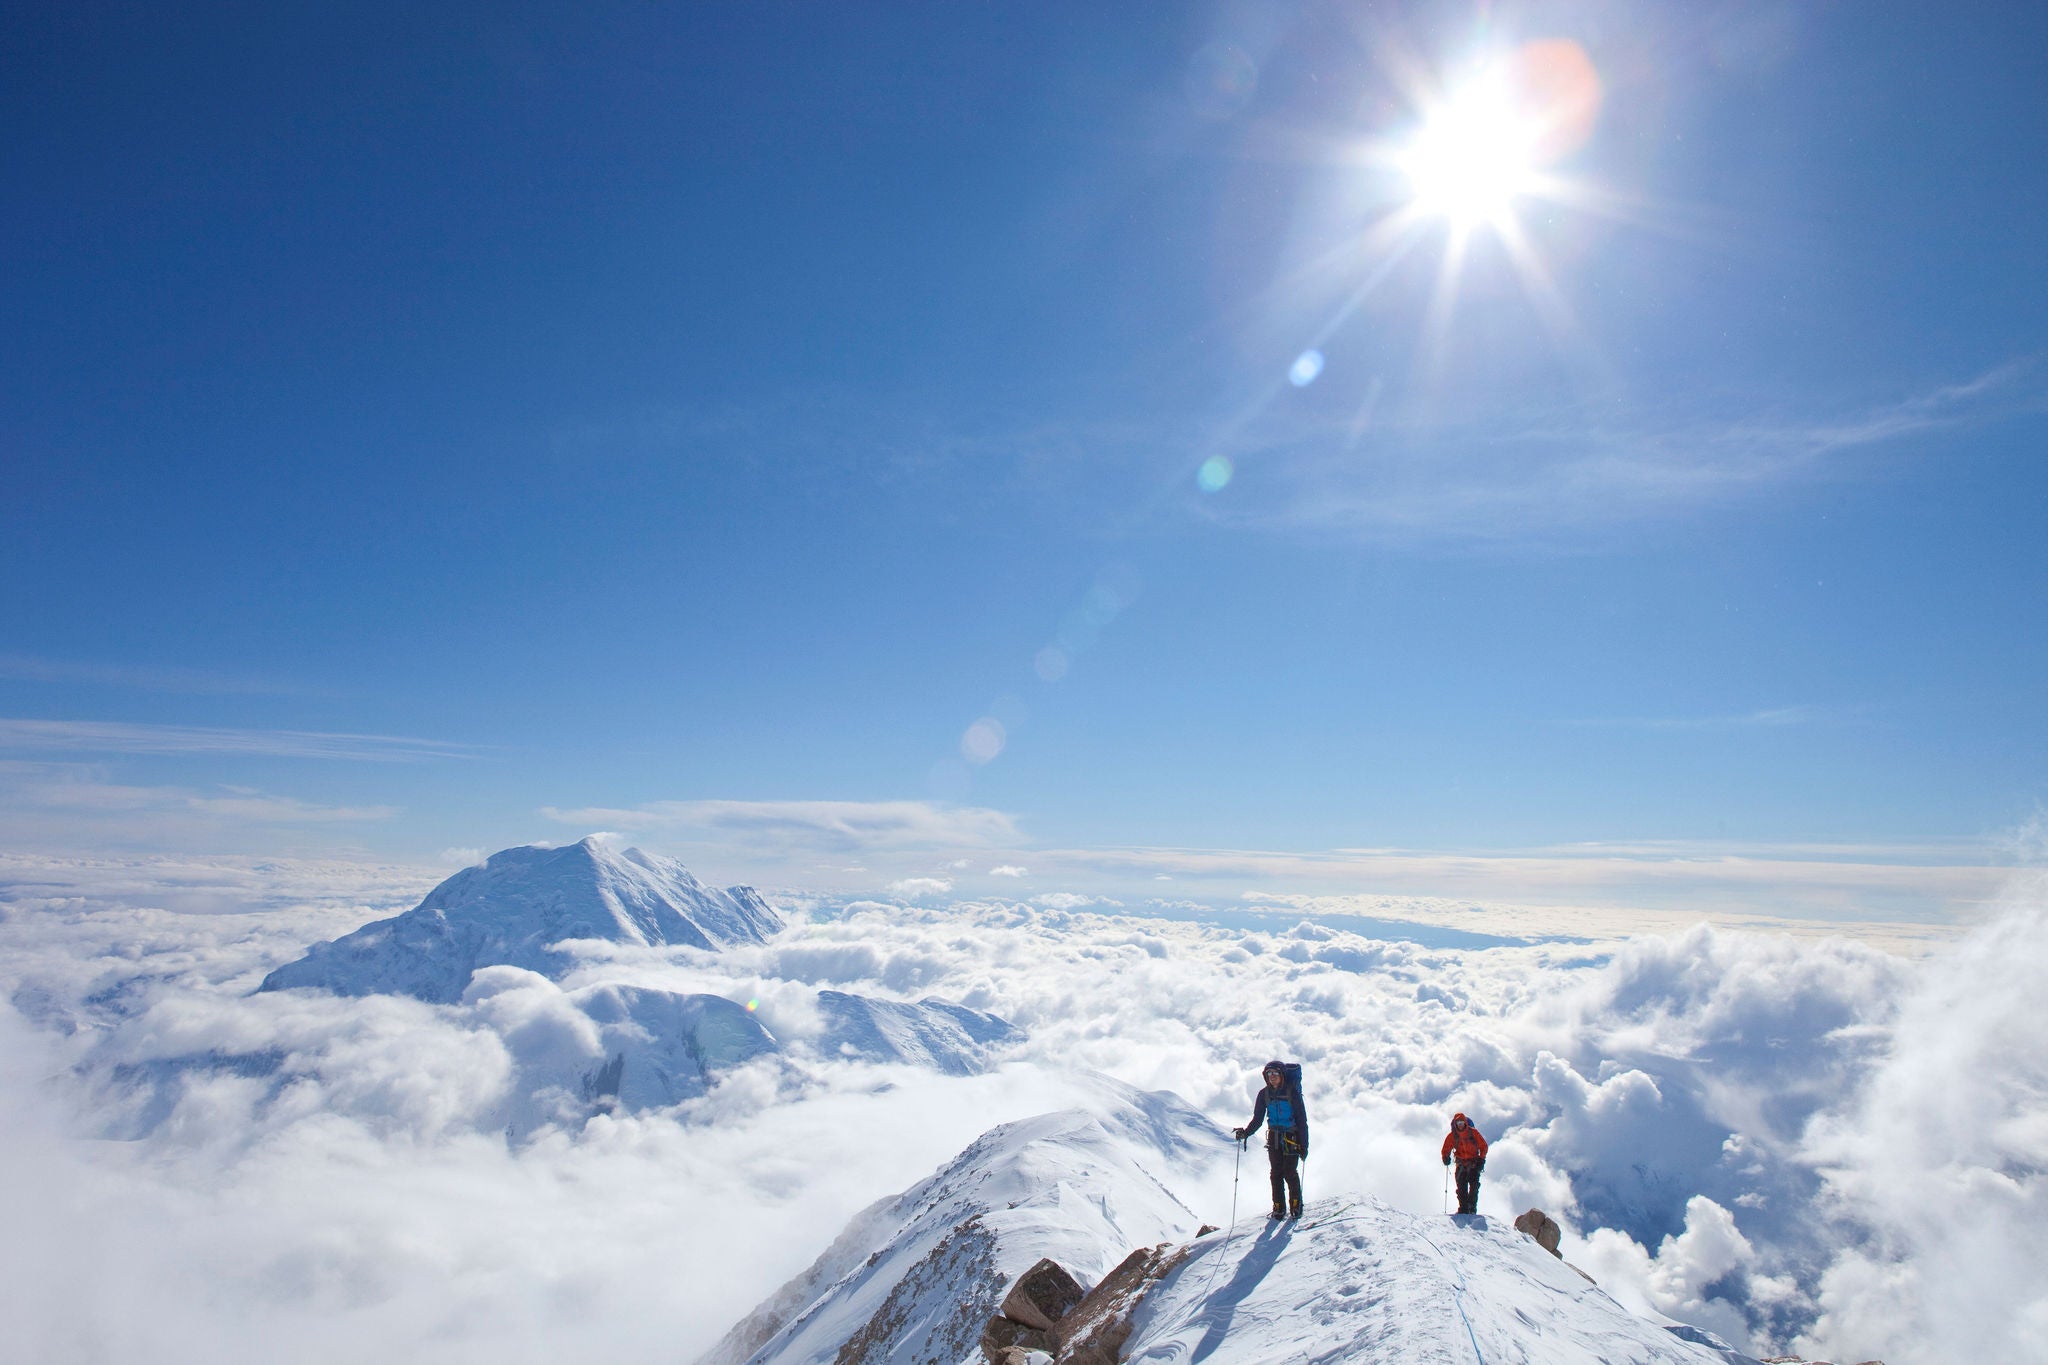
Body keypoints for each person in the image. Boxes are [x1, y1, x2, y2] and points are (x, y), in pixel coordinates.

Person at [1233, 1060, 1308, 1219]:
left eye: (1275, 1073)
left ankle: (1295, 1205)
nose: (1272, 1077)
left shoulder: (1292, 1093)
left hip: (1291, 1137)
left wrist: (1304, 1145)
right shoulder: (1264, 1094)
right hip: (1275, 1136)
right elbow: (1257, 1119)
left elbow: (1302, 1120)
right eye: (1269, 1074)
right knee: (1276, 1173)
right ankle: (1279, 1207)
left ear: (1282, 1075)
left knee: (1289, 1172)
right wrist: (1246, 1133)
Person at [1441, 1111, 1488, 1215]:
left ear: (1465, 1122)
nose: (1460, 1124)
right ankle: (1464, 1208)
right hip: (1463, 1163)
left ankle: (1471, 1208)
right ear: (1456, 1124)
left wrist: (1481, 1159)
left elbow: (1483, 1146)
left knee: (1473, 1186)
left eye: (1462, 1122)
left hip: (1473, 1163)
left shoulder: (1472, 1133)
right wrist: (1445, 1157)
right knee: (1462, 1187)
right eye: (1458, 1123)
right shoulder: (1454, 1136)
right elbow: (1446, 1148)